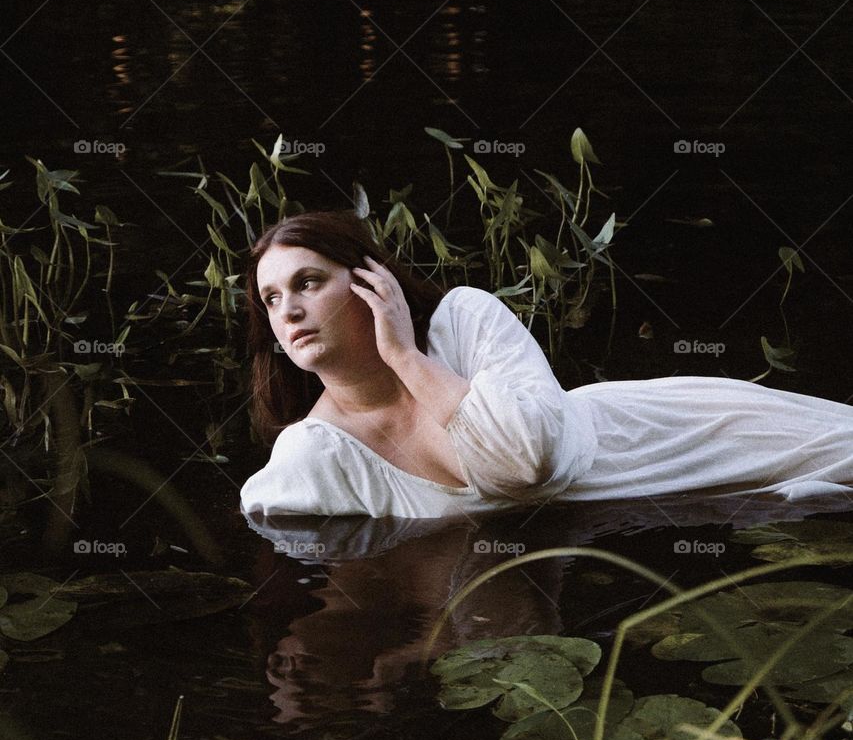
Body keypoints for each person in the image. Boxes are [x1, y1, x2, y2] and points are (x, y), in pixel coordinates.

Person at [240, 209, 853, 522]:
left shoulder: (465, 320)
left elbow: (531, 459)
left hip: (673, 427)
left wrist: (403, 355)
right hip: (683, 503)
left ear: (373, 285)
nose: (289, 309)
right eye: (271, 298)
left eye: (309, 282)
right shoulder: (315, 455)